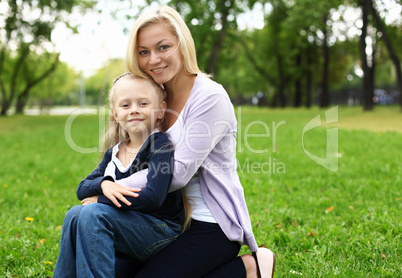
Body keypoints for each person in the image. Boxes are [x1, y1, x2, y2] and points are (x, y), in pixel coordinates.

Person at [121, 5, 276, 278]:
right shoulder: (148, 98)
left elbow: (177, 173)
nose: (153, 59)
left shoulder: (210, 97)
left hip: (211, 224)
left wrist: (109, 190)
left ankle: (249, 267)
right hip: (165, 219)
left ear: (182, 45)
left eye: (163, 47)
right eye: (144, 52)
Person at [53, 72, 189, 277]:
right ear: (115, 113)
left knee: (93, 212)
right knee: (74, 214)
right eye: (125, 105)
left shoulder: (160, 146)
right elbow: (82, 188)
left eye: (143, 104)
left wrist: (101, 199)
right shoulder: (114, 152)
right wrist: (105, 184)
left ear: (161, 110)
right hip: (128, 225)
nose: (134, 110)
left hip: (161, 231)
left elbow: (153, 198)